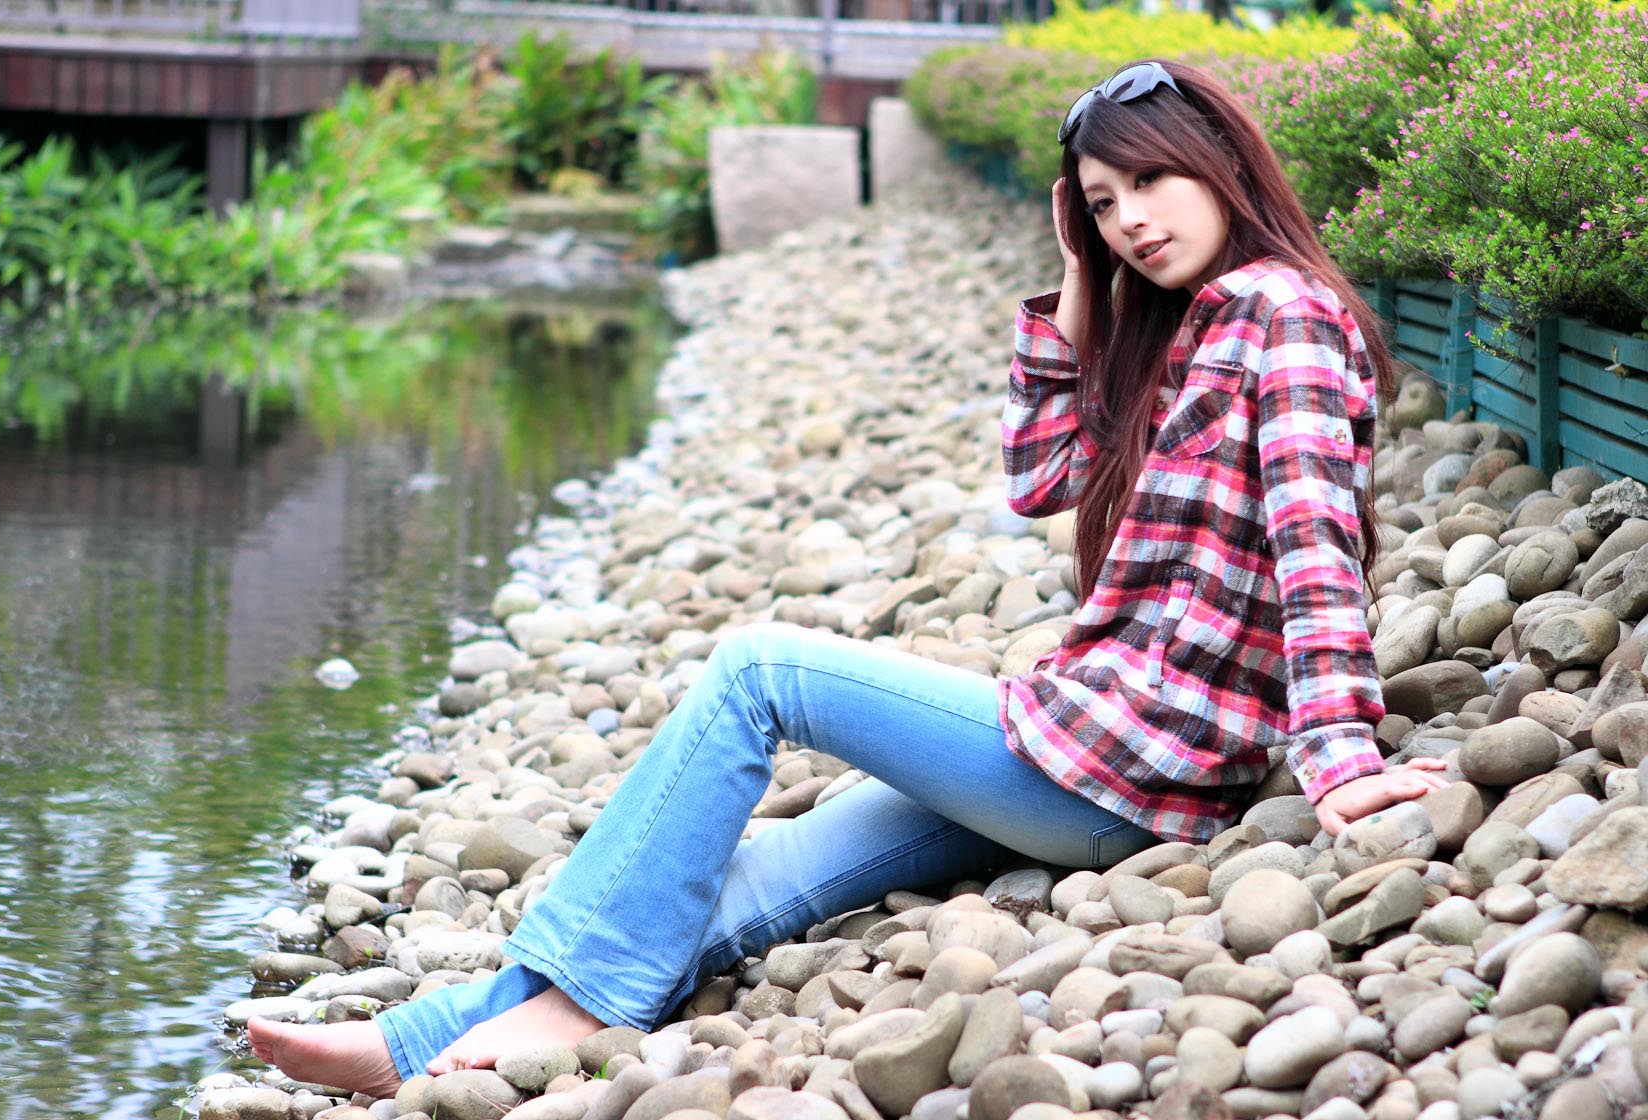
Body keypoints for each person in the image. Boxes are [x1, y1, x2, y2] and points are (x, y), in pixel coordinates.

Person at [247, 58, 1449, 1098]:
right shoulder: (1194, 320)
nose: (1132, 218)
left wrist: (1342, 758)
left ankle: (557, 1017)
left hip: (1127, 762)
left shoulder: (1281, 315)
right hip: (1105, 754)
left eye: (1151, 181)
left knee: (757, 670)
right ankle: (418, 1043)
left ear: (1222, 161)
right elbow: (1043, 477)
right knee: (752, 876)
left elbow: (1314, 545)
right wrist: (1081, 281)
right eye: (1102, 202)